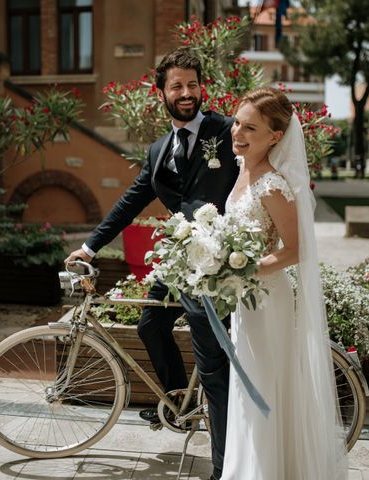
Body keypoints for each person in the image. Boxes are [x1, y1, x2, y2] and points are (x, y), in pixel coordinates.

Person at [65, 47, 237, 480]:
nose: (186, 92)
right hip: (180, 258)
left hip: (217, 264)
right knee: (150, 323)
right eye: (177, 85)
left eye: (193, 84)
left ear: (202, 88)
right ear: (160, 91)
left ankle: (224, 466)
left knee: (213, 363)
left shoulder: (226, 130)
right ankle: (180, 402)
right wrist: (89, 247)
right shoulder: (160, 150)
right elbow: (128, 204)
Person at [222, 86, 348, 479]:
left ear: (275, 137)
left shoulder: (271, 184)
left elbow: (295, 250)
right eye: (237, 123)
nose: (238, 133)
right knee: (247, 390)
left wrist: (242, 270)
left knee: (262, 388)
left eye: (251, 128)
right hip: (244, 300)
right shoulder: (244, 169)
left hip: (266, 300)